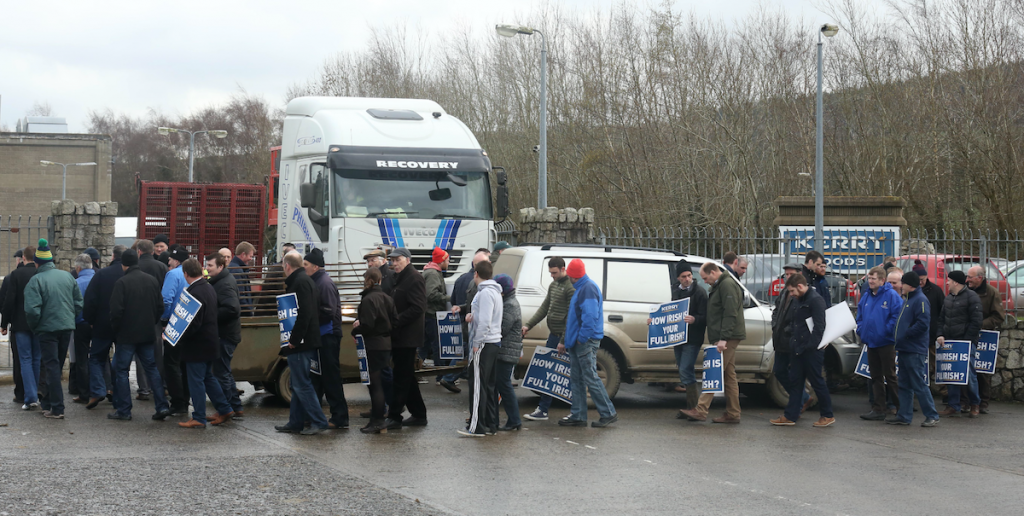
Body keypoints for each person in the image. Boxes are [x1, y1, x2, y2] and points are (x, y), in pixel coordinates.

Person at [107, 249, 171, 421]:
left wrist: (117, 330)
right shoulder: (151, 281)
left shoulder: (122, 283)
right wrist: (151, 322)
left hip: (127, 335)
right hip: (147, 333)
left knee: (121, 371)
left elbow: (115, 312)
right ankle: (162, 406)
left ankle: (124, 410)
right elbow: (160, 307)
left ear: (123, 265)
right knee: (152, 369)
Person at [24, 239, 83, 419]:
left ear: (37, 262)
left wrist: (36, 327)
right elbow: (78, 303)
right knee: (55, 364)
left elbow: (32, 311)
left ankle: (56, 407)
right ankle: (49, 403)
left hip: (47, 329)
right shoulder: (67, 277)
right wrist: (68, 318)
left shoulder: (35, 280)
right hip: (65, 327)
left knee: (51, 366)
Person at [680, 262, 746, 424]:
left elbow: (730, 313)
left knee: (713, 373)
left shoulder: (727, 285)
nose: (704, 281)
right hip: (725, 336)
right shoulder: (722, 285)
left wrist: (723, 338)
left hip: (728, 337)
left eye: (705, 278)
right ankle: (733, 413)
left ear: (713, 273)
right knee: (728, 376)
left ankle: (701, 410)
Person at [555, 259, 617, 428]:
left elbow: (589, 317)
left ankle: (607, 413)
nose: (569, 278)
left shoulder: (587, 288)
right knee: (578, 378)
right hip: (579, 341)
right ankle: (579, 414)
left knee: (589, 377)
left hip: (584, 341)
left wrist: (581, 338)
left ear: (574, 276)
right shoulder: (583, 287)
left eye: (570, 276)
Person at [273, 251, 328, 435]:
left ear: (287, 265)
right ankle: (295, 422)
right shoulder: (305, 281)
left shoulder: (300, 283)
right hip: (304, 340)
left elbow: (304, 314)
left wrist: (293, 340)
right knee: (297, 384)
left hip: (301, 342)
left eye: (283, 265)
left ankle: (319, 421)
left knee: (302, 384)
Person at [177, 258, 235, 429]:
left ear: (186, 273)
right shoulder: (207, 287)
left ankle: (199, 417)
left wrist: (178, 335)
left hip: (197, 346)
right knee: (208, 378)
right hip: (210, 342)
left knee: (196, 381)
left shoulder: (194, 292)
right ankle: (224, 408)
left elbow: (193, 323)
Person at [770, 274, 834, 427]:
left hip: (811, 350)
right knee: (796, 382)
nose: (790, 294)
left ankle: (827, 415)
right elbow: (794, 322)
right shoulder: (798, 300)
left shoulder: (816, 300)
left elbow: (819, 327)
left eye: (792, 291)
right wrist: (793, 340)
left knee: (817, 382)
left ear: (800, 286)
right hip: (797, 347)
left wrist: (810, 346)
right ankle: (790, 416)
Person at [521, 256, 576, 420]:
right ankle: (543, 409)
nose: (552, 275)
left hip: (563, 339)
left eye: (554, 272)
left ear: (563, 269)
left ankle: (576, 411)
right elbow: (544, 308)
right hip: (553, 336)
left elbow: (570, 317)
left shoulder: (569, 288)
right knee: (548, 374)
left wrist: (563, 341)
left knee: (568, 375)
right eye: (550, 272)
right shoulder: (553, 286)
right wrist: (528, 325)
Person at [304, 247, 350, 430]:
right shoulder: (317, 281)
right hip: (321, 336)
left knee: (330, 378)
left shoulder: (324, 283)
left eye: (306, 264)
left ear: (315, 266)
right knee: (318, 378)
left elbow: (328, 312)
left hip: (328, 337)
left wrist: (310, 320)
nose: (303, 267)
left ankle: (340, 418)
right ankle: (314, 415)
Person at [383, 248, 428, 430]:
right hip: (399, 335)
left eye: (398, 260)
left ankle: (394, 416)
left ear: (407, 260)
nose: (394, 263)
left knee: (401, 377)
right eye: (392, 260)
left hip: (408, 336)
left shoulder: (415, 278)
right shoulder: (398, 278)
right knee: (406, 376)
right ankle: (419, 414)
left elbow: (418, 308)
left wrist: (396, 321)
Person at [887, 271, 939, 427]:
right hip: (905, 348)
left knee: (918, 383)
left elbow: (923, 324)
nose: (901, 286)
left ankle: (932, 415)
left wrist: (906, 334)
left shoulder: (920, 300)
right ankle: (904, 415)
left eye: (903, 283)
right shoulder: (908, 299)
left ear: (910, 285)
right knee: (904, 383)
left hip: (914, 349)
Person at [457, 260, 503, 436]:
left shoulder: (484, 293)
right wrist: (472, 315)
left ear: (476, 274)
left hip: (484, 343)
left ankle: (477, 426)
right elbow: (487, 316)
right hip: (494, 342)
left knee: (477, 385)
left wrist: (477, 343)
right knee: (489, 385)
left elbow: (485, 321)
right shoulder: (496, 291)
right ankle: (491, 424)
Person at [352, 268, 398, 434]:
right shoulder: (387, 298)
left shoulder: (368, 299)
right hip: (385, 344)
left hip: (372, 345)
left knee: (375, 385)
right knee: (380, 383)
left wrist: (356, 330)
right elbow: (396, 321)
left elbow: (368, 325)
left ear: (367, 280)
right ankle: (379, 418)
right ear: (379, 280)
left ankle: (377, 420)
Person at [438, 249, 490, 393]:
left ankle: (452, 377)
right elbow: (474, 305)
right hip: (472, 323)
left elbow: (456, 299)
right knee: (466, 351)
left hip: (465, 320)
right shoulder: (476, 284)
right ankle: (449, 378)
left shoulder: (462, 278)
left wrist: (459, 308)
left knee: (463, 351)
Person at [854, 266, 903, 420]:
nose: (870, 281)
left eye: (873, 279)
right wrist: (861, 330)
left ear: (882, 280)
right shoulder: (867, 296)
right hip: (871, 342)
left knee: (890, 376)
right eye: (869, 278)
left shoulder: (892, 296)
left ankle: (900, 408)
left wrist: (885, 332)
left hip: (886, 342)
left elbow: (896, 316)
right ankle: (879, 409)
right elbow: (860, 315)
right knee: (875, 376)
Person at [82, 246, 126, 409]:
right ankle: (116, 392)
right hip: (124, 325)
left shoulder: (101, 274)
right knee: (120, 361)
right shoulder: (130, 275)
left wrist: (90, 320)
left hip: (102, 324)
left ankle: (98, 390)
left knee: (96, 358)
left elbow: (90, 300)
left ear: (113, 256)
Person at [936, 270, 983, 418]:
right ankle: (953, 405)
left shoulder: (972, 297)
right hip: (950, 342)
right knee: (951, 375)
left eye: (949, 280)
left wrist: (966, 341)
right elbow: (941, 319)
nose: (947, 283)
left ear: (956, 282)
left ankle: (975, 404)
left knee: (969, 375)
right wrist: (940, 334)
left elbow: (976, 322)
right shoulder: (948, 298)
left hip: (965, 343)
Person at [205, 253, 244, 419]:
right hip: (225, 334)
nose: (207, 268)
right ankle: (235, 407)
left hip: (225, 335)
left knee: (221, 373)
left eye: (210, 266)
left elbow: (232, 309)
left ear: (220, 267)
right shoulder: (220, 281)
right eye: (206, 265)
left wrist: (211, 315)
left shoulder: (224, 284)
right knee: (224, 372)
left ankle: (226, 409)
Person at [769, 262, 808, 418]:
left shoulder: (801, 293)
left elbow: (801, 318)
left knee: (794, 375)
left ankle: (796, 408)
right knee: (778, 371)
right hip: (780, 340)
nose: (788, 277)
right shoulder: (785, 291)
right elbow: (777, 310)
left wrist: (789, 331)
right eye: (786, 275)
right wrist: (775, 325)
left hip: (792, 340)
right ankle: (803, 398)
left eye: (791, 274)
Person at [967, 265, 1005, 414]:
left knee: (982, 370)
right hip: (967, 334)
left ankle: (983, 402)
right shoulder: (966, 291)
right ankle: (966, 402)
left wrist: (980, 325)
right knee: (966, 369)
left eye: (970, 277)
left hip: (984, 336)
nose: (967, 279)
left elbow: (998, 316)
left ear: (979, 278)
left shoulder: (992, 293)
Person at [2, 246, 37, 409]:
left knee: (24, 359)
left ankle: (27, 396)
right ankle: (37, 392)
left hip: (20, 324)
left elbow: (8, 302)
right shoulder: (40, 274)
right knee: (37, 359)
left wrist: (4, 324)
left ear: (23, 258)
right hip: (38, 323)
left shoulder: (15, 275)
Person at [134, 239, 167, 400]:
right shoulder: (161, 267)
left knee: (141, 352)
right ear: (152, 251)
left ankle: (144, 387)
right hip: (155, 315)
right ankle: (157, 385)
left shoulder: (135, 267)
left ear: (139, 251)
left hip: (138, 315)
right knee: (157, 352)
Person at [160, 247, 191, 414]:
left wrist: (164, 321)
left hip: (174, 324)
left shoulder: (173, 275)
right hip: (189, 324)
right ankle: (185, 400)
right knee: (185, 364)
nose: (168, 262)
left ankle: (177, 403)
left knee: (171, 364)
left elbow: (166, 299)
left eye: (170, 259)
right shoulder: (193, 274)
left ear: (177, 261)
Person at [493, 273, 523, 431]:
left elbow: (502, 329)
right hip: (506, 351)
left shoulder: (510, 305)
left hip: (507, 352)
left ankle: (514, 420)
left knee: (504, 385)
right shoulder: (508, 301)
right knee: (503, 385)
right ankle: (512, 419)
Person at [914, 260, 944, 383]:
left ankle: (944, 392)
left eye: (923, 279)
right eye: (918, 280)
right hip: (916, 336)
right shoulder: (910, 292)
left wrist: (939, 332)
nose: (921, 282)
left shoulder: (936, 291)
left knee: (938, 366)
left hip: (932, 335)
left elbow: (943, 312)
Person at [71, 253, 95, 403]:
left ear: (78, 267)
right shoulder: (100, 279)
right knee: (100, 358)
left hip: (81, 324)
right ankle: (101, 389)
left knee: (81, 359)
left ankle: (84, 393)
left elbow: (72, 305)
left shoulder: (76, 283)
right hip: (99, 325)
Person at [422, 247, 451, 366]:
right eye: (447, 260)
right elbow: (431, 294)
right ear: (441, 261)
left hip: (428, 313)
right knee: (437, 344)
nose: (448, 263)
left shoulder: (432, 272)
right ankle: (440, 374)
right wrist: (449, 298)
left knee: (425, 343)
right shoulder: (433, 274)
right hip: (432, 314)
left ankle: (416, 371)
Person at [230, 241, 256, 314]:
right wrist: (249, 312)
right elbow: (240, 296)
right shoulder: (237, 271)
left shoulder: (236, 268)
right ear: (243, 254)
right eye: (250, 256)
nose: (251, 259)